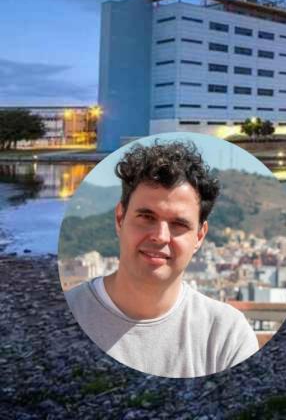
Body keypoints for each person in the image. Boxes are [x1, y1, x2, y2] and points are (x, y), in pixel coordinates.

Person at [65, 140, 259, 377]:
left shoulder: (225, 333)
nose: (160, 236)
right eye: (147, 217)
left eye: (179, 224)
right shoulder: (68, 314)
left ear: (199, 236)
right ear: (119, 219)